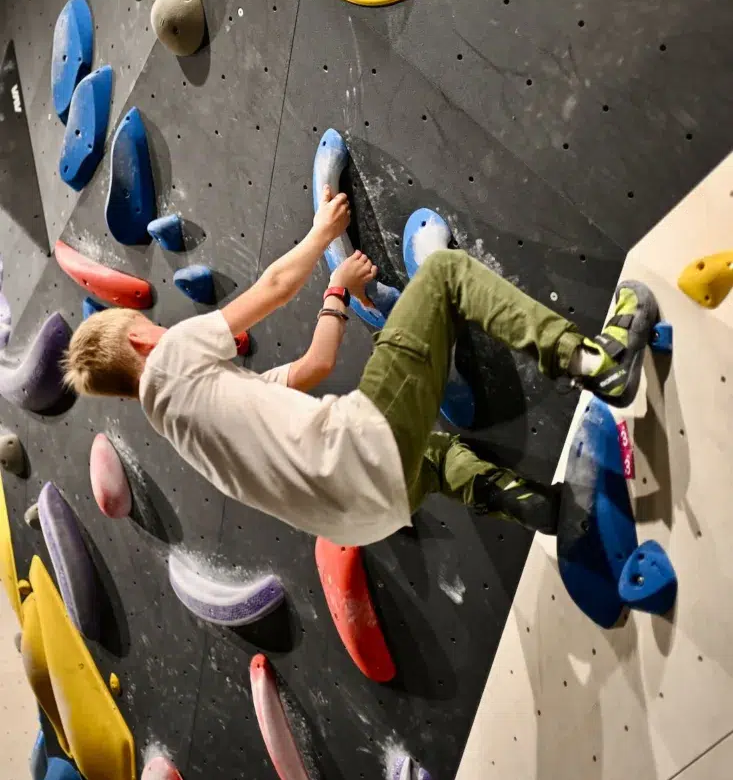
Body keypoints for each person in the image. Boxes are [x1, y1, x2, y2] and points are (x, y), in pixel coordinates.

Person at [63, 187, 657, 545]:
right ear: (140, 341)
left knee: (438, 455)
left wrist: (338, 293)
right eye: (151, 329)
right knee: (446, 275)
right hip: (362, 450)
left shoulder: (189, 426)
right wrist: (323, 235)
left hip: (366, 516)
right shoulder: (171, 357)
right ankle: (597, 361)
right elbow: (269, 288)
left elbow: (315, 367)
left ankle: (535, 506)